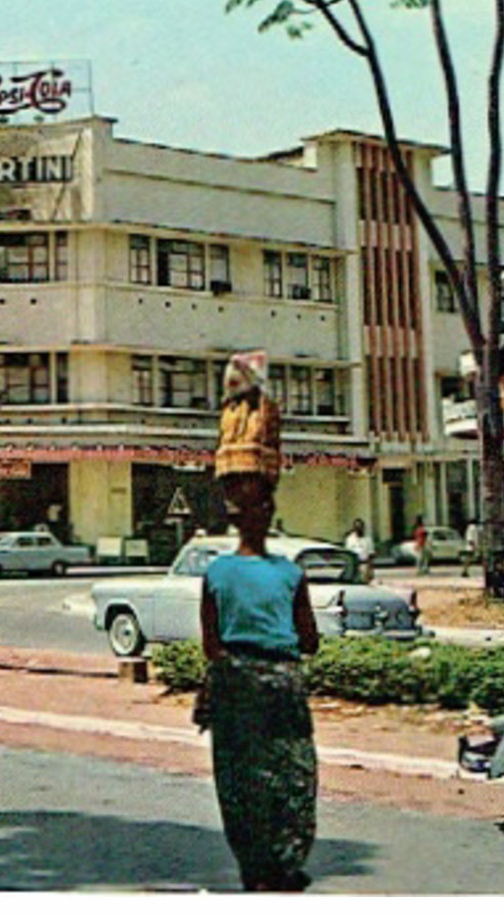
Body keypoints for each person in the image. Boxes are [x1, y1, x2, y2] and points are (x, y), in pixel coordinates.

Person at [203, 349, 318, 893]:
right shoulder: (291, 573)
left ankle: (257, 870)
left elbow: (212, 646)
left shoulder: (217, 573)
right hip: (281, 683)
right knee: (292, 779)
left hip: (238, 685)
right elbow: (310, 641)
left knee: (241, 783)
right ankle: (283, 863)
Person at [343, 518, 373, 584]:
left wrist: (370, 570)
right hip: (353, 565)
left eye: (360, 527)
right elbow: (347, 554)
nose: (358, 529)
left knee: (365, 584)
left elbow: (370, 555)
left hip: (364, 565)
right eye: (357, 527)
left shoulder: (368, 539)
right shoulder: (350, 539)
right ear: (354, 528)